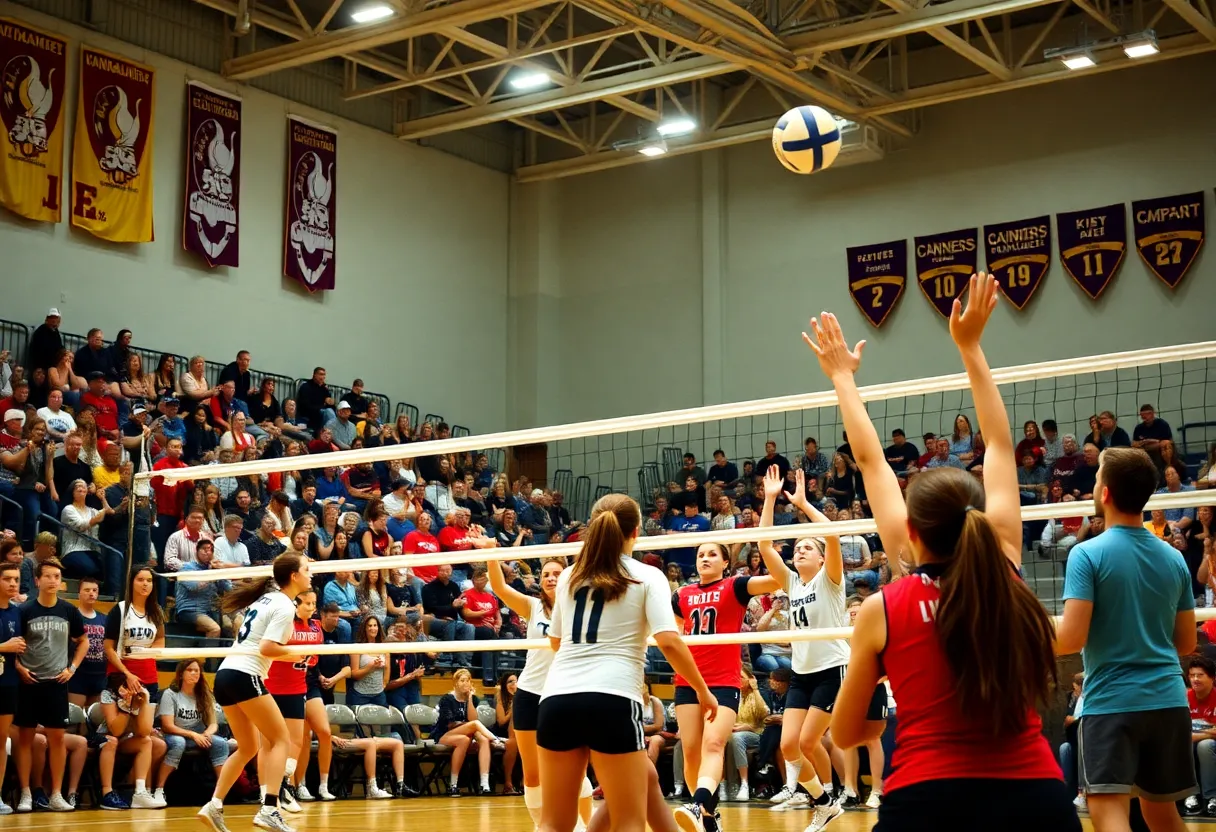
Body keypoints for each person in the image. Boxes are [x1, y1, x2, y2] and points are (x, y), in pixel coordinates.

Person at [807, 275, 1077, 832]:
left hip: (925, 798)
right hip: (1036, 797)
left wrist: (842, 378)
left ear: (911, 530)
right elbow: (998, 444)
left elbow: (849, 733)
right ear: (976, 517)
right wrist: (970, 346)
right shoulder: (1006, 565)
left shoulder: (887, 604)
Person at [536, 494, 717, 832]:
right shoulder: (647, 575)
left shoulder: (570, 575)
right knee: (629, 821)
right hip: (613, 698)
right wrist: (703, 690)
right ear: (636, 532)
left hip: (557, 698)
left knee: (554, 823)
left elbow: (557, 642)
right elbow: (669, 641)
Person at [1057, 445, 1197, 830]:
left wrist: (1020, 632)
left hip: (1112, 703)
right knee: (1161, 813)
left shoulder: (1087, 554)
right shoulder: (1173, 558)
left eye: (1096, 478)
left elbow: (1070, 639)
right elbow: (1187, 643)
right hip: (1169, 701)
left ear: (1104, 493)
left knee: (1108, 811)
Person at [754, 467, 850, 830]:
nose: (800, 551)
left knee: (809, 742)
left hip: (831, 670)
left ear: (822, 558)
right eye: (797, 548)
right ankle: (824, 803)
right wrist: (769, 499)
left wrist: (804, 504)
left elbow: (832, 534)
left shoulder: (830, 579)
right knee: (789, 746)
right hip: (801, 673)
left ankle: (830, 794)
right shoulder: (792, 582)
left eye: (808, 547)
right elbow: (765, 546)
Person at [196, 553, 313, 832]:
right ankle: (269, 808)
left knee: (249, 747)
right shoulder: (285, 605)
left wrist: (292, 654)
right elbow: (267, 648)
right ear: (294, 576)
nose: (311, 574)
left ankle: (214, 804)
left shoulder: (267, 598)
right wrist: (297, 654)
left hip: (225, 674)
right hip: (245, 674)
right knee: (281, 739)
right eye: (307, 569)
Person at [671, 540, 780, 832]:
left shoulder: (735, 586)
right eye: (700, 554)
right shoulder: (681, 595)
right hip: (688, 680)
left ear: (725, 562)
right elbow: (675, 634)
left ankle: (697, 804)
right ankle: (707, 816)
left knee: (713, 744)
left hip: (723, 680)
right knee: (690, 750)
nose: (705, 559)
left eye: (712, 554)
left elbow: (779, 580)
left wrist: (766, 547)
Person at [488, 543, 594, 828]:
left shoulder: (579, 607)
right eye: (546, 574)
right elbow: (498, 587)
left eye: (557, 573)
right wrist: (490, 553)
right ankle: (542, 825)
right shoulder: (533, 606)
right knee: (533, 773)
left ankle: (586, 825)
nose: (550, 578)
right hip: (530, 694)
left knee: (572, 767)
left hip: (565, 694)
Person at [14, 558, 88, 813]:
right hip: (29, 682)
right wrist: (19, 667)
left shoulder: (68, 610)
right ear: (37, 580)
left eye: (57, 576)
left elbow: (84, 641)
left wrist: (72, 668)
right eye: (48, 576)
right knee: (25, 739)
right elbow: (12, 644)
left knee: (57, 740)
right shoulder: (24, 610)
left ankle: (56, 793)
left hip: (57, 683)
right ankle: (26, 793)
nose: (53, 580)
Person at [103, 566, 165, 703]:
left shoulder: (157, 611)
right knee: (122, 715)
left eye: (149, 580)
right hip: (121, 673)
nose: (145, 584)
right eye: (140, 580)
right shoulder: (120, 609)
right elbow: (108, 647)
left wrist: (146, 654)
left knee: (147, 716)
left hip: (148, 674)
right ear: (131, 582)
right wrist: (127, 673)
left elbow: (160, 639)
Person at [0, 560, 24, 815]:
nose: (13, 583)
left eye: (16, 579)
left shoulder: (16, 612)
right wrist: (3, 647)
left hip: (7, 683)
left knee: (1, 741)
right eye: (7, 578)